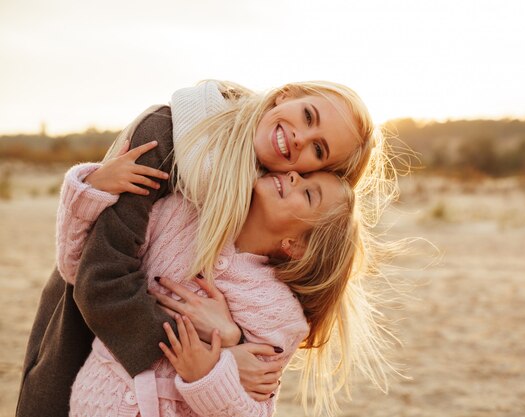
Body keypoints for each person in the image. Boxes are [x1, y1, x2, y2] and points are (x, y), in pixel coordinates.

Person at [17, 79, 393, 416]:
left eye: (318, 151)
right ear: (284, 95)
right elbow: (99, 281)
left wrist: (226, 351)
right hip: (83, 340)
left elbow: (256, 381)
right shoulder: (171, 135)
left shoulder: (268, 201)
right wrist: (220, 357)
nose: (300, 142)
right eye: (308, 116)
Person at [57, 157, 357, 415]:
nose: (294, 175)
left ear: (296, 246)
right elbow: (77, 269)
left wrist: (207, 373)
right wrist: (90, 188)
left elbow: (255, 411)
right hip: (96, 404)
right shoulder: (178, 214)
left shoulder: (279, 314)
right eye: (302, 175)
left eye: (308, 194)